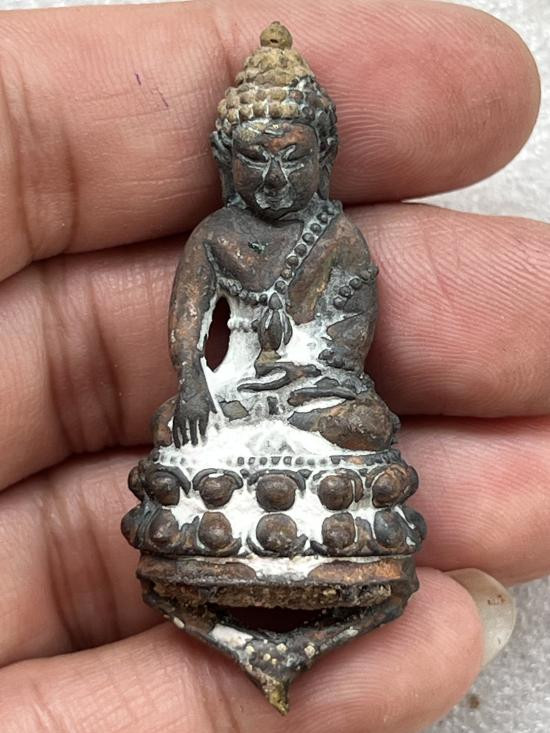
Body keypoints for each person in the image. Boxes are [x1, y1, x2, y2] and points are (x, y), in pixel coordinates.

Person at [0, 0, 545, 731]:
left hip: (318, 393)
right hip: (232, 391)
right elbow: (188, 325)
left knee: (364, 427)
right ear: (228, 162)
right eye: (256, 157)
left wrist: (306, 375)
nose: (276, 176)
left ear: (324, 157)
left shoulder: (337, 236)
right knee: (174, 434)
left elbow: (349, 330)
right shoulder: (214, 235)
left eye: (294, 156)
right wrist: (195, 386)